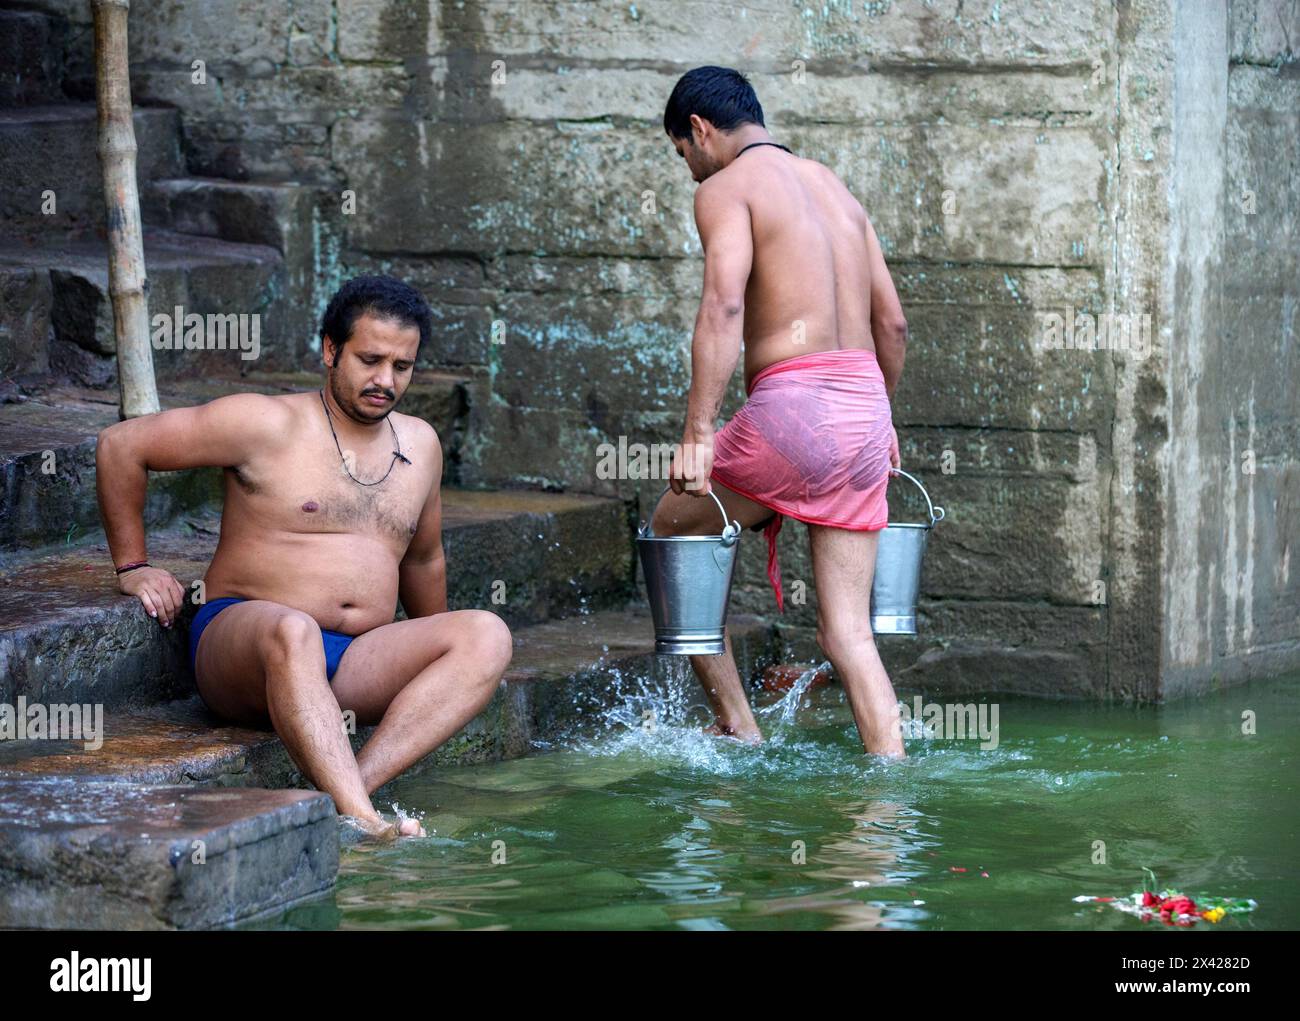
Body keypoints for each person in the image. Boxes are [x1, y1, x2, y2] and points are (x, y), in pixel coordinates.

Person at [96, 275, 514, 838]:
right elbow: (123, 446)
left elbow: (422, 561)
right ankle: (363, 819)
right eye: (370, 360)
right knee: (293, 632)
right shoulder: (265, 423)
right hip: (246, 643)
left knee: (487, 634)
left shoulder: (421, 444)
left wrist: (428, 653)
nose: (385, 381)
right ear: (330, 350)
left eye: (403, 366)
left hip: (353, 659)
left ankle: (345, 796)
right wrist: (133, 565)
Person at [653, 66, 909, 757]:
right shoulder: (837, 190)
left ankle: (737, 721)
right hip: (863, 414)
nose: (690, 171)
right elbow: (893, 324)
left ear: (700, 131)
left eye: (684, 154)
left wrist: (699, 432)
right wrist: (884, 421)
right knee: (848, 634)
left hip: (793, 409)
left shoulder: (725, 188)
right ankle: (891, 798)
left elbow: (724, 305)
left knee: (675, 533)